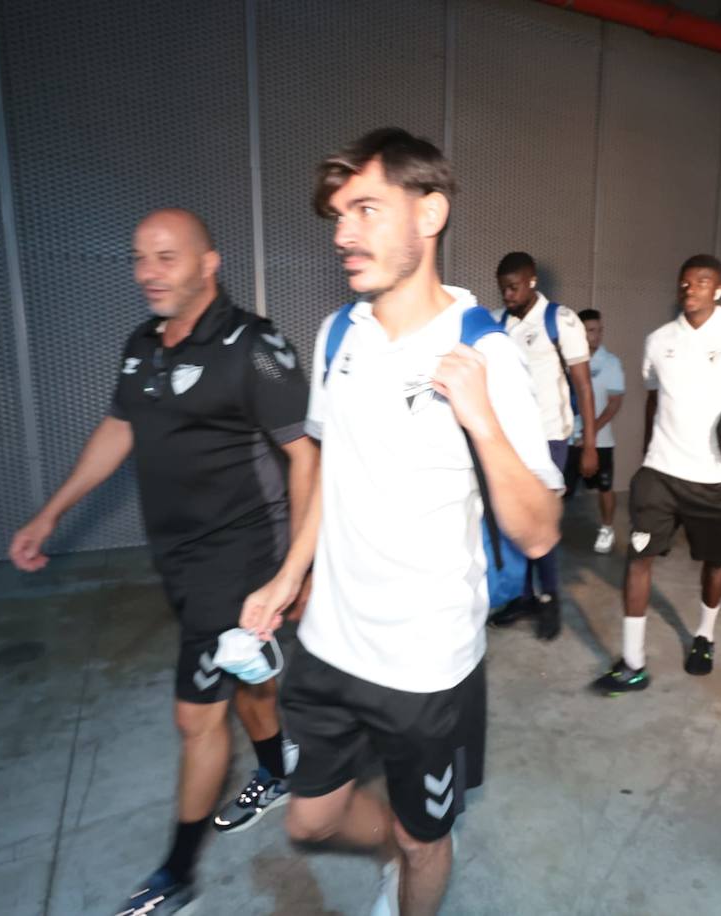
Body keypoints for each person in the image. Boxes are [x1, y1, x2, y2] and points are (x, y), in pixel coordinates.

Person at [239, 128, 562, 916]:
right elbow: (327, 473)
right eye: (339, 214)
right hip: (329, 646)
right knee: (311, 821)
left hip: (425, 664)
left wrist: (482, 421)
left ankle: (413, 864)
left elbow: (540, 532)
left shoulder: (483, 348)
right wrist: (289, 575)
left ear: (431, 213)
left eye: (366, 209)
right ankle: (397, 852)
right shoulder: (338, 332)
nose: (344, 232)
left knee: (428, 839)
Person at [8, 209, 318, 915]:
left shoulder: (255, 347)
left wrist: (292, 572)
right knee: (248, 684)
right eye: (139, 257)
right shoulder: (141, 344)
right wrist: (50, 513)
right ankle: (277, 768)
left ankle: (175, 876)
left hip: (239, 558)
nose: (148, 272)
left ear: (209, 264)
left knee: (195, 717)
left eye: (166, 257)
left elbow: (307, 460)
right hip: (176, 558)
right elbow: (119, 429)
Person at [591, 254, 721, 694]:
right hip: (661, 475)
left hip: (716, 479)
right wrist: (649, 453)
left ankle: (705, 636)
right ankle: (632, 662)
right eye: (685, 283)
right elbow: (654, 399)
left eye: (702, 282)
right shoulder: (658, 340)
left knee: (716, 563)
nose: (691, 290)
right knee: (638, 561)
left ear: (719, 289)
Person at [488, 251, 598, 639]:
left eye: (514, 286)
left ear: (532, 281)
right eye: (502, 288)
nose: (507, 294)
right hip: (510, 439)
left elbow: (583, 385)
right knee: (511, 522)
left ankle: (549, 598)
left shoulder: (560, 320)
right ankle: (522, 597)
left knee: (543, 521)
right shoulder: (497, 323)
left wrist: (589, 444)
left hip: (551, 438)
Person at [564, 308, 625, 553]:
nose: (596, 335)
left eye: (599, 330)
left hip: (600, 440)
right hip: (568, 439)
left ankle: (607, 529)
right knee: (562, 488)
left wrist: (589, 433)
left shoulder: (611, 363)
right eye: (591, 330)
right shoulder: (567, 362)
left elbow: (614, 404)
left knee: (605, 487)